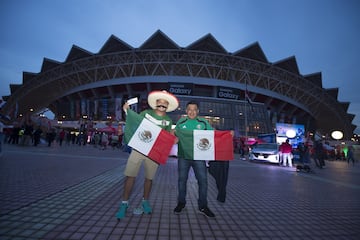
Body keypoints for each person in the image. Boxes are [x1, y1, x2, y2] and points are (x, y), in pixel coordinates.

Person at [116, 90, 179, 219]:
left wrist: (174, 138)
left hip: (154, 153)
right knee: (130, 176)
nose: (162, 106)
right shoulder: (146, 113)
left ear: (167, 106)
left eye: (164, 105)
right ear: (155, 104)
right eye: (160, 104)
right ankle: (124, 204)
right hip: (138, 149)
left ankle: (145, 201)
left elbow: (167, 138)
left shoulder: (167, 120)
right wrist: (127, 110)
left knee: (149, 179)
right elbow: (135, 122)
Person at [173, 101, 216, 218]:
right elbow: (175, 137)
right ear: (186, 111)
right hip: (183, 156)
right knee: (182, 181)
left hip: (199, 157)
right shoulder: (181, 122)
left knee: (203, 181)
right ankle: (181, 203)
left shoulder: (203, 122)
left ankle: (203, 206)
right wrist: (172, 136)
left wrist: (228, 134)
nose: (192, 112)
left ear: (197, 111)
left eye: (194, 109)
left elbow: (213, 135)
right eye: (189, 109)